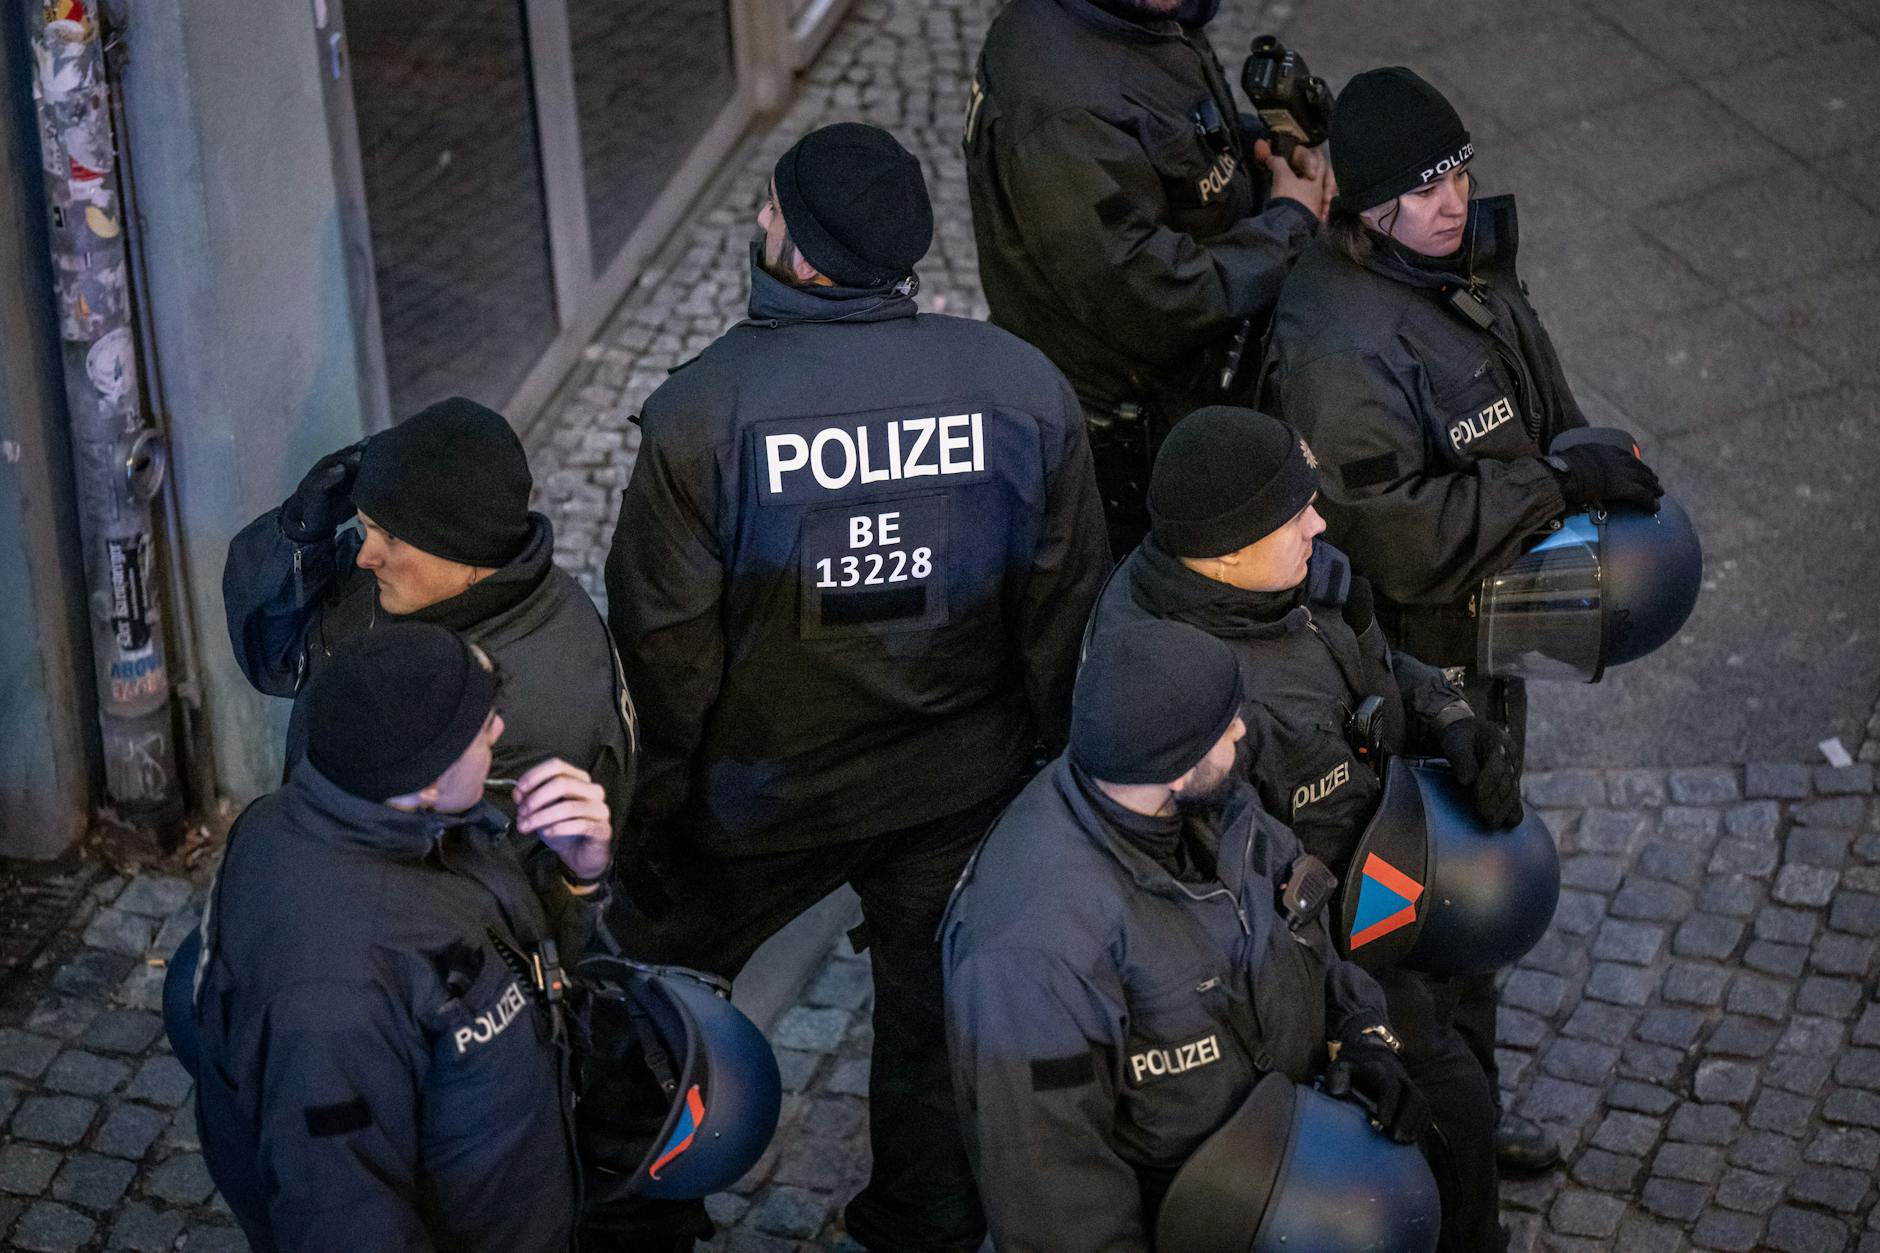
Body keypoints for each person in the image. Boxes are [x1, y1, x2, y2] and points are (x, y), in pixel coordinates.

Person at [602, 122, 1108, 1250]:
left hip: (756, 802)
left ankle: (646, 1213)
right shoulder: (1017, 388)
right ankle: (923, 1220)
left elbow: (664, 657)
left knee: (649, 1000)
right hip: (955, 785)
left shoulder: (702, 416)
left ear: (795, 245)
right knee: (930, 1027)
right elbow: (1065, 611)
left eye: (769, 206)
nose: (760, 218)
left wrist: (655, 822)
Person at [1259, 67, 1663, 1174]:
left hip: (1484, 643)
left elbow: (1530, 402)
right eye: (1422, 186)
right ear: (1363, 203)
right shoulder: (1340, 346)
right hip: (1408, 672)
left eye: (1457, 172)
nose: (1451, 199)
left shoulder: (1444, 269)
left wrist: (1570, 455)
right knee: (1415, 932)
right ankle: (1431, 1151)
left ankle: (1470, 1121)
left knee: (1474, 907)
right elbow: (1389, 533)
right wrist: (1554, 485)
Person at [1087, 405, 1517, 1250]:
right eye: (1296, 514)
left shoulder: (1286, 574)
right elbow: (1228, 893)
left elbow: (1381, 667)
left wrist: (1447, 715)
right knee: (1450, 1102)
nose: (1319, 521)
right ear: (1229, 548)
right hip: (1329, 945)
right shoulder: (1181, 691)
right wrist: (1349, 1027)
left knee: (1466, 1043)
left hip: (1386, 883)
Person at [941, 619, 1429, 1250]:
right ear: (1173, 766)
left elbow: (1306, 941)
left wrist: (1363, 1037)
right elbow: (1054, 1198)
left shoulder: (1211, 801)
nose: (1243, 730)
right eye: (1225, 724)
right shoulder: (1033, 952)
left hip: (1284, 1177)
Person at [191, 623, 613, 1251]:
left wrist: (579, 878)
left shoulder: (381, 815)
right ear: (424, 780)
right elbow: (339, 1213)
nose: (498, 730)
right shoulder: (332, 994)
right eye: (479, 726)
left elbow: (515, 966)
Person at [222, 395, 636, 930]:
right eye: (365, 528)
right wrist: (299, 537)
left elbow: (455, 921)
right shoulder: (419, 588)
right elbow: (277, 657)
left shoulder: (522, 715)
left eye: (388, 537)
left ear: (464, 553)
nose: (366, 555)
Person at [964, 0, 1335, 554]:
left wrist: (1252, 146)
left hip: (1178, 396)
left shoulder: (1148, 12)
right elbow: (1151, 292)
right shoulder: (1061, 105)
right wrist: (1290, 221)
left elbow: (1169, 135)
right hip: (1123, 444)